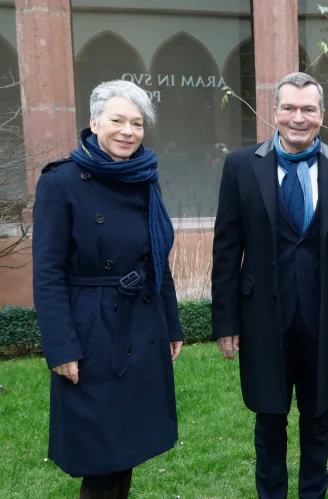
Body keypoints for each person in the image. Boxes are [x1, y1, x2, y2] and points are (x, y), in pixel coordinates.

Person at [211, 72, 328, 499]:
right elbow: (227, 250)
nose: (298, 118)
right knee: (269, 417)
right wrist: (226, 321)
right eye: (289, 108)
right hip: (262, 316)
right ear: (274, 111)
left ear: (322, 115)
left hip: (325, 317)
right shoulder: (241, 167)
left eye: (308, 109)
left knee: (317, 418)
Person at [32, 80, 183, 498]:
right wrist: (61, 347)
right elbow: (46, 273)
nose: (128, 131)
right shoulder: (60, 182)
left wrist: (171, 324)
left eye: (137, 123)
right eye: (117, 120)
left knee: (125, 449)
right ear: (94, 121)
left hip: (141, 322)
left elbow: (156, 256)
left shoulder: (143, 175)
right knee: (100, 455)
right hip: (91, 330)